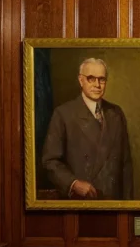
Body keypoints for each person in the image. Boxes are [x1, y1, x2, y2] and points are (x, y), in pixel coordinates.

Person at [42, 57, 133, 200]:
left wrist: (129, 207)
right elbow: (50, 161)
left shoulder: (116, 113)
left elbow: (126, 166)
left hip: (114, 203)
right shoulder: (63, 114)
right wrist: (73, 183)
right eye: (91, 78)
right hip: (82, 202)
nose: (97, 84)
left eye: (102, 79)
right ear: (81, 80)